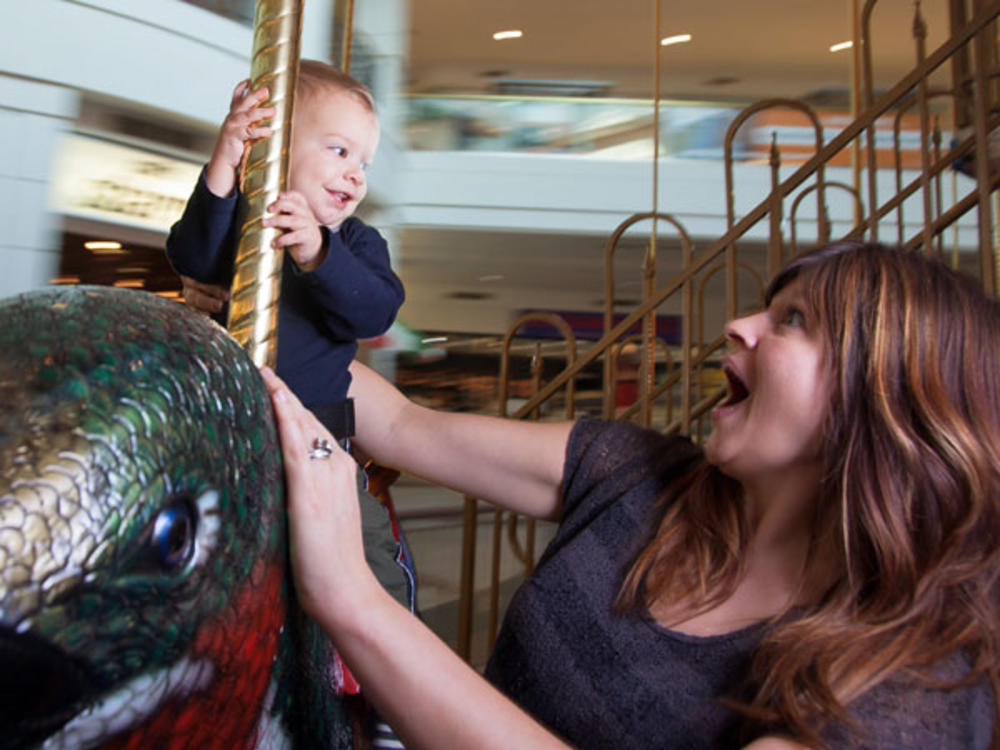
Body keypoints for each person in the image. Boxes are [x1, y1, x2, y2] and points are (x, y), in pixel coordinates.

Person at [262, 241, 999, 749]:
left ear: (887, 397)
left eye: (794, 320)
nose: (737, 325)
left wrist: (353, 598)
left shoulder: (912, 682)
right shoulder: (643, 475)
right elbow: (402, 425)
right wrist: (261, 333)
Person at [166, 60, 415, 699]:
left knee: (369, 555)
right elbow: (191, 254)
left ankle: (392, 691)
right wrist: (226, 159)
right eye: (338, 150)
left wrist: (316, 253)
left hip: (319, 445)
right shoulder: (246, 226)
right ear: (276, 148)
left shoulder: (355, 243)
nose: (355, 173)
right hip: (224, 438)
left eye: (363, 160)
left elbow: (374, 308)